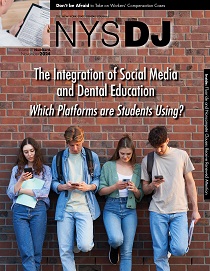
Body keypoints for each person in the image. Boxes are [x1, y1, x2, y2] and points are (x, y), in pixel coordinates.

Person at [141, 126, 201, 271]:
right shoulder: (147, 160)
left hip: (179, 211)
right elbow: (144, 189)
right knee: (160, 255)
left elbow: (190, 183)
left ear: (168, 140)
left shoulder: (181, 156)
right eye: (155, 147)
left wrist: (195, 210)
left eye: (161, 146)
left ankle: (169, 242)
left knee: (180, 248)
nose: (158, 151)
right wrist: (152, 186)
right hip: (157, 211)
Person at [51, 126, 101, 271]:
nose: (74, 148)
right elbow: (54, 182)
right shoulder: (59, 158)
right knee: (65, 250)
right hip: (65, 208)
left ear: (83, 140)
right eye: (71, 145)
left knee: (84, 245)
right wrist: (63, 187)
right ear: (67, 143)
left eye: (77, 145)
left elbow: (97, 179)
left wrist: (89, 187)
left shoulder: (92, 157)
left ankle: (76, 240)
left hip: (85, 206)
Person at [98, 134, 143, 271]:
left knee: (127, 253)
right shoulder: (109, 166)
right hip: (112, 207)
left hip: (130, 209)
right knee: (116, 239)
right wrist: (115, 187)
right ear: (118, 151)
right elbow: (100, 191)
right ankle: (114, 246)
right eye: (122, 153)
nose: (125, 157)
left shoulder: (137, 168)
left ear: (133, 152)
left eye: (128, 154)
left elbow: (140, 195)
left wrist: (135, 189)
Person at [7, 137, 52, 271]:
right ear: (22, 153)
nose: (29, 154)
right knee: (27, 252)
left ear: (36, 151)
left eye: (31, 151)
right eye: (26, 152)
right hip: (20, 210)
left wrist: (23, 190)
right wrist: (20, 180)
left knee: (36, 252)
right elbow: (10, 193)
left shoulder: (45, 170)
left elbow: (44, 192)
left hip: (38, 210)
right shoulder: (17, 170)